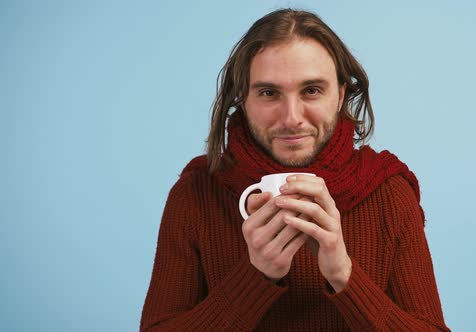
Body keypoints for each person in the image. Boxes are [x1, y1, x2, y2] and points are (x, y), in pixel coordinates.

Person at [141, 8, 450, 331]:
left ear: (340, 95)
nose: (291, 118)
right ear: (242, 98)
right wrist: (254, 277)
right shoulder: (196, 194)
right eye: (269, 93)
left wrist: (344, 275)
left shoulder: (388, 192)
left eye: (312, 90)